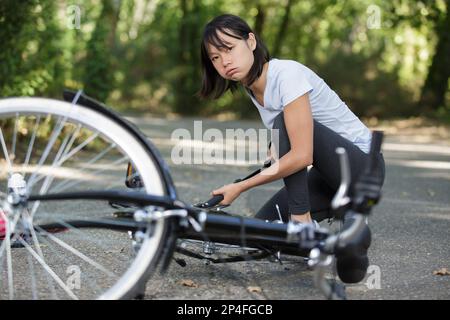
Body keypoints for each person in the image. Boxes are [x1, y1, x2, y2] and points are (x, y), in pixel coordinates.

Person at [198, 14, 385, 226]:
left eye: (229, 48)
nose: (225, 62)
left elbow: (302, 155)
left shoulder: (286, 74)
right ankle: (336, 218)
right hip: (327, 176)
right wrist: (275, 146)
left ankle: (301, 220)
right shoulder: (252, 88)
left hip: (363, 169)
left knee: (282, 124)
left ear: (251, 42)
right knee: (263, 228)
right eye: (215, 57)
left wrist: (240, 187)